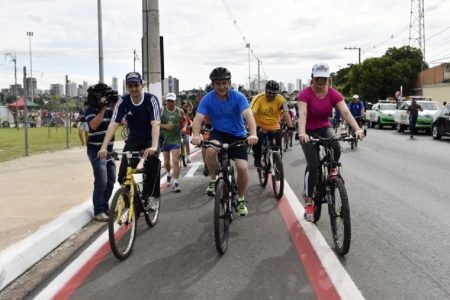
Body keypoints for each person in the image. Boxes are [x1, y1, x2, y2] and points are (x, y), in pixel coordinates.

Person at [298, 63, 365, 222]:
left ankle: (332, 171)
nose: (320, 81)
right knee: (313, 166)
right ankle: (309, 201)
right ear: (312, 78)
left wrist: (357, 129)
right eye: (318, 78)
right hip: (307, 131)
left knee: (335, 145)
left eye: (324, 78)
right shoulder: (305, 94)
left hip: (323, 127)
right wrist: (301, 132)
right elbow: (303, 113)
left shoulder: (333, 93)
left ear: (328, 78)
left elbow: (345, 112)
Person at [191, 67, 258, 216]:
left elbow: (248, 115)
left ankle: (240, 199)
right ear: (212, 85)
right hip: (219, 133)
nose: (221, 87)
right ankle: (214, 180)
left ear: (229, 83)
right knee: (210, 150)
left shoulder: (238, 97)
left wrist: (253, 134)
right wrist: (196, 135)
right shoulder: (208, 98)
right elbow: (198, 118)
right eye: (217, 84)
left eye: (224, 83)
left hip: (238, 134)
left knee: (242, 168)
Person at [98, 71, 161, 210]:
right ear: (126, 87)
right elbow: (113, 124)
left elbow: (155, 124)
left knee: (153, 161)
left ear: (142, 85)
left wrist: (154, 146)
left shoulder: (151, 99)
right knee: (122, 175)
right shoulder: (123, 101)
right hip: (134, 138)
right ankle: (129, 197)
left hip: (151, 136)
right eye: (130, 85)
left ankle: (152, 196)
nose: (133, 89)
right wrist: (103, 147)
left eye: (136, 85)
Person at [85, 83, 118, 222]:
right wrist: (103, 108)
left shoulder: (110, 110)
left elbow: (120, 120)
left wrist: (114, 104)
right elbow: (93, 126)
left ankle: (104, 207)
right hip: (96, 151)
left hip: (109, 151)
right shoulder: (90, 110)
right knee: (101, 181)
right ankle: (98, 211)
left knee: (111, 180)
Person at [250, 80, 294, 167]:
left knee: (277, 144)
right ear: (265, 90)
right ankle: (257, 158)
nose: (271, 95)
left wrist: (290, 127)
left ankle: (277, 162)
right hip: (260, 125)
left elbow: (286, 112)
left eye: (274, 93)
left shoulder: (281, 99)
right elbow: (251, 114)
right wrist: (253, 129)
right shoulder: (258, 98)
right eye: (269, 93)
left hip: (274, 126)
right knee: (258, 140)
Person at [160, 92, 186, 192]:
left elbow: (185, 120)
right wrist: (165, 126)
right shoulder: (162, 110)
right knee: (166, 162)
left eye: (172, 101)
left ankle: (176, 183)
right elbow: (156, 123)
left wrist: (183, 127)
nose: (170, 103)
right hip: (165, 140)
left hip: (176, 138)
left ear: (175, 101)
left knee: (175, 161)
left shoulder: (180, 111)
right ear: (166, 101)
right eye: (168, 101)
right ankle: (168, 173)